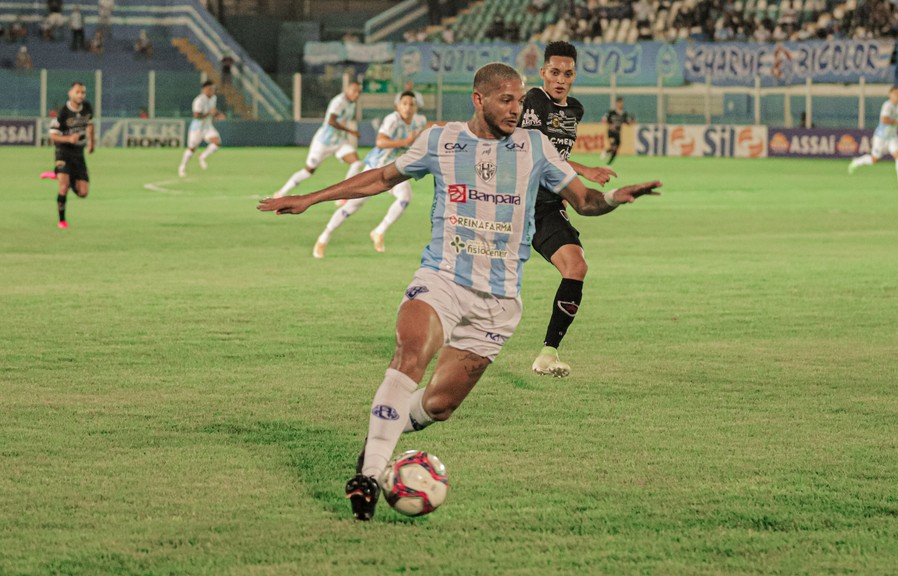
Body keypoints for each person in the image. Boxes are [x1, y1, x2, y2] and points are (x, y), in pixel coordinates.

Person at [257, 62, 662, 521]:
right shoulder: (441, 141)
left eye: (521, 100)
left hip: (499, 301)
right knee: (411, 354)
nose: (518, 109)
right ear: (479, 99)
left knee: (439, 405)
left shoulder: (536, 147)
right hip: (442, 279)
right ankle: (368, 474)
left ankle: (382, 437)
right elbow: (382, 177)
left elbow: (585, 201)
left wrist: (613, 199)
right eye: (506, 100)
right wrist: (310, 198)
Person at [519, 41, 617, 378]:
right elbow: (533, 152)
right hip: (513, 203)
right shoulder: (534, 100)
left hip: (547, 206)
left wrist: (570, 177)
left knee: (576, 266)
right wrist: (583, 170)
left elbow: (554, 158)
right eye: (555, 72)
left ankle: (548, 354)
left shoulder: (574, 109)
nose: (561, 79)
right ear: (543, 72)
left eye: (568, 73)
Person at [313, 90, 428, 257]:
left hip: (396, 169)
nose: (408, 108)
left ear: (417, 107)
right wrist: (406, 142)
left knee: (405, 198)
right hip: (377, 169)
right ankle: (323, 237)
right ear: (397, 106)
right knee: (352, 206)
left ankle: (379, 231)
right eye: (404, 104)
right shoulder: (392, 120)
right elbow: (380, 142)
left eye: (412, 104)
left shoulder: (420, 121)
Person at [272, 82, 364, 202]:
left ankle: (344, 195)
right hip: (324, 142)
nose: (356, 95)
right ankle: (281, 193)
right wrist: (351, 131)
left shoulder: (351, 103)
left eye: (359, 92)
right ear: (347, 90)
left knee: (356, 163)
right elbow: (331, 121)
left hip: (339, 142)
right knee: (308, 171)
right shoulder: (338, 102)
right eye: (354, 91)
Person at [49, 82, 95, 229]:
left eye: (83, 92)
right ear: (70, 93)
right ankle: (62, 220)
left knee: (83, 193)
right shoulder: (62, 112)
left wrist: (91, 143)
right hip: (63, 152)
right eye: (77, 92)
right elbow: (53, 136)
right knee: (63, 187)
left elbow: (89, 124)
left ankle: (62, 175)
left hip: (78, 154)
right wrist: (68, 139)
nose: (80, 95)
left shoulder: (87, 108)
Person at [848, 86, 898, 190]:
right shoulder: (887, 106)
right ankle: (856, 162)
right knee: (874, 159)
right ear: (890, 95)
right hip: (881, 137)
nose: (897, 96)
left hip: (892, 137)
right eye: (895, 94)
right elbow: (884, 120)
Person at [178, 80, 225, 177]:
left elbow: (212, 111)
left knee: (217, 142)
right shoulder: (199, 100)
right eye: (210, 89)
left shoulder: (213, 98)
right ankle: (182, 167)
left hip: (207, 127)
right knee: (191, 149)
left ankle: (202, 156)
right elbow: (196, 115)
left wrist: (216, 116)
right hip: (197, 128)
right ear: (204, 90)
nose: (212, 91)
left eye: (213, 89)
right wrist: (209, 114)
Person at [602, 97, 634, 165]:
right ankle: (606, 152)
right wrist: (610, 125)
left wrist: (632, 122)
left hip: (618, 134)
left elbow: (628, 122)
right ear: (616, 104)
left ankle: (609, 163)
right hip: (611, 133)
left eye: (622, 103)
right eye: (619, 103)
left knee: (616, 150)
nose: (621, 105)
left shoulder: (624, 114)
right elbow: (604, 120)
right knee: (613, 146)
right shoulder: (611, 113)